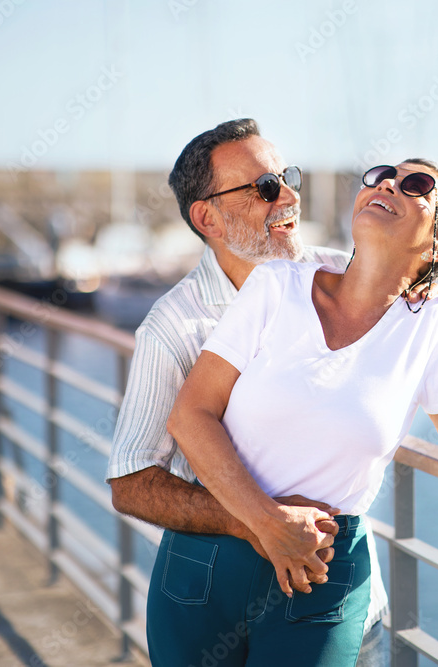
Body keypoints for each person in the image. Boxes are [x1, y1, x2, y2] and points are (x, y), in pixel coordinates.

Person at [164, 159, 438, 665]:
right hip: (210, 554)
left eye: (416, 185)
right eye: (381, 175)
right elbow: (191, 415)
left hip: (323, 565)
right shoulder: (277, 286)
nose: (386, 184)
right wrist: (267, 522)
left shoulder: (429, 327)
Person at [105, 119, 422, 665]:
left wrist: (423, 278)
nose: (289, 197)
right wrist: (255, 522)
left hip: (338, 595)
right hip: (214, 594)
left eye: (287, 177)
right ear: (208, 217)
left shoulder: (343, 275)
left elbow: (421, 282)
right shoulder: (173, 326)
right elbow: (131, 482)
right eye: (265, 187)